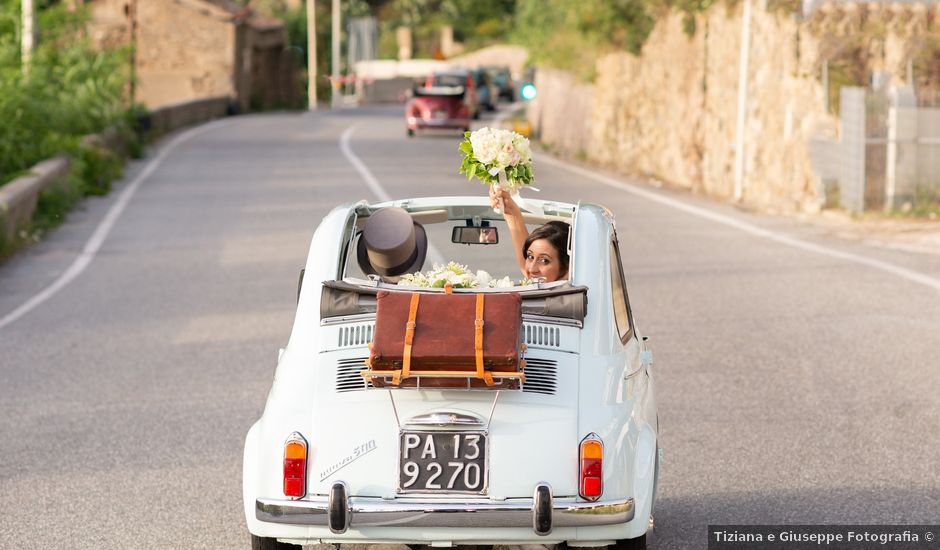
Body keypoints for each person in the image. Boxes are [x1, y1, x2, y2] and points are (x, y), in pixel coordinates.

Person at [489, 186, 570, 282]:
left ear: (567, 267)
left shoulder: (578, 295)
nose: (532, 269)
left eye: (544, 261)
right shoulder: (536, 285)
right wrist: (508, 208)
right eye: (530, 257)